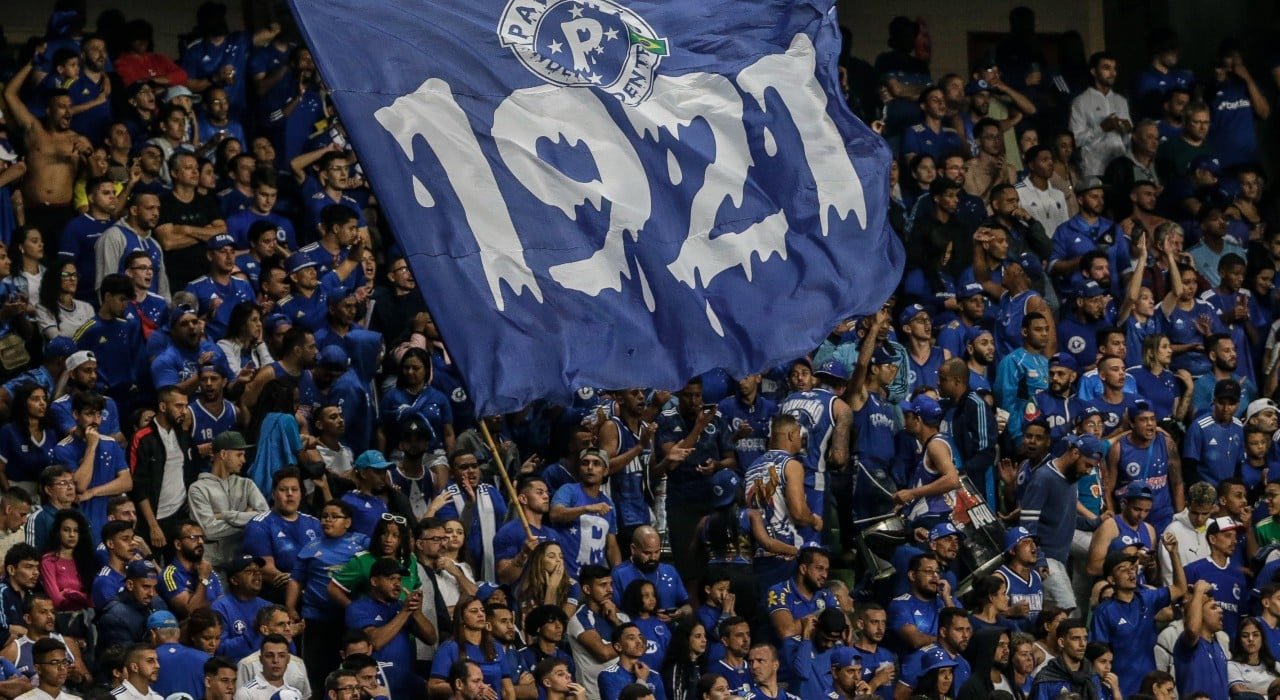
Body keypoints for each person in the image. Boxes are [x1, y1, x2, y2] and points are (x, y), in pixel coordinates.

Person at [286, 499, 367, 695]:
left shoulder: (362, 543)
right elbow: (296, 580)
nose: (327, 521)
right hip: (316, 619)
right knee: (316, 673)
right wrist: (290, 607)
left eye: (334, 516)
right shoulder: (310, 547)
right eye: (324, 517)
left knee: (350, 671)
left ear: (347, 522)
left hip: (349, 618)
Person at [1091, 535, 1185, 697]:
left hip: (1148, 689)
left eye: (1132, 568)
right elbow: (1099, 656)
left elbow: (1180, 588)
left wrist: (1173, 553)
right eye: (1122, 569)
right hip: (1120, 687)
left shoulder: (1147, 598)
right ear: (1111, 579)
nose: (1130, 572)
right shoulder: (1104, 611)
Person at [1021, 434, 1103, 612]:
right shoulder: (1043, 478)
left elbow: (1066, 517)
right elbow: (1026, 527)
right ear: (1075, 453)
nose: (1088, 471)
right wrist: (1040, 561)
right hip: (1045, 558)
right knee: (1070, 611)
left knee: (1055, 617)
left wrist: (1097, 522)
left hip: (1059, 559)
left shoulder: (1072, 478)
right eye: (1087, 465)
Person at [346, 557, 436, 698]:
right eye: (391, 579)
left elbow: (431, 638)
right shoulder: (358, 607)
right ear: (375, 582)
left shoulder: (400, 606)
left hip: (404, 682)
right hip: (374, 683)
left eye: (399, 580)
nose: (397, 585)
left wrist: (417, 612)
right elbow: (375, 642)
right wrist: (405, 612)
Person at [130, 386, 199, 549]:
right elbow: (138, 486)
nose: (184, 411)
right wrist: (153, 526)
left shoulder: (184, 435)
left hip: (180, 517)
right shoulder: (142, 438)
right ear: (162, 407)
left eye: (185, 406)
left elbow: (192, 470)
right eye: (178, 406)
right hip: (152, 520)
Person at [187, 431, 268, 567]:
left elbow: (265, 519)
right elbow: (209, 531)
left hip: (244, 563)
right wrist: (249, 520)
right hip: (213, 565)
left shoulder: (247, 484)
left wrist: (226, 515)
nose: (244, 460)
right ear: (224, 454)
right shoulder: (198, 489)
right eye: (239, 455)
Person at [241, 469, 320, 602]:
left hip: (314, 588)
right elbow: (266, 570)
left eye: (294, 489)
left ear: (301, 494)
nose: (290, 494)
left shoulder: (315, 523)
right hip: (278, 597)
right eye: (283, 489)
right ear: (273, 494)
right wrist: (296, 583)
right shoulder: (259, 525)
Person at [429, 596, 516, 699]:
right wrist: (469, 687)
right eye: (474, 611)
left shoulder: (496, 647)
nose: (480, 614)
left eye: (482, 610)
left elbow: (508, 690)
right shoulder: (449, 648)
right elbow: (433, 687)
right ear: (462, 617)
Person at [1184, 517, 1250, 639]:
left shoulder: (1238, 575)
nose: (1234, 541)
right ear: (1213, 539)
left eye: (1235, 537)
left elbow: (1243, 616)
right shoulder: (1193, 570)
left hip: (1232, 647)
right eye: (1228, 536)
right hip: (1202, 643)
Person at [1175, 580, 1230, 700]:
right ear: (1199, 613)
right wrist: (1199, 590)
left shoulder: (1218, 644)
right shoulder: (1187, 643)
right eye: (1213, 607)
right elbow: (1193, 629)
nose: (1220, 610)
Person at [208, 555, 270, 662]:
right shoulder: (220, 607)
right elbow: (219, 649)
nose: (257, 574)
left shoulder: (269, 607)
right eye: (249, 571)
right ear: (234, 580)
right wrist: (254, 633)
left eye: (258, 571)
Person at [599, 622, 666, 700]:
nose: (639, 641)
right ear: (618, 647)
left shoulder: (654, 676)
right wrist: (641, 681)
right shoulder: (608, 676)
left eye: (640, 637)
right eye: (631, 638)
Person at [1029, 619, 1094, 699]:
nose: (1082, 644)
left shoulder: (1092, 675)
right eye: (1076, 638)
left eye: (1085, 638)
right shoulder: (1046, 679)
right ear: (1062, 642)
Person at [235, 635, 302, 700]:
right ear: (261, 659)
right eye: (269, 656)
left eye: (281, 656)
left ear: (288, 660)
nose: (275, 660)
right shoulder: (246, 693)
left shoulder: (296, 693)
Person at [1228, 616, 1280, 694]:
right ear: (1239, 640)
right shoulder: (1233, 666)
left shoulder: (1275, 665)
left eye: (1255, 635)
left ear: (1262, 639)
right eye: (1245, 636)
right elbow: (1241, 693)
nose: (1251, 639)